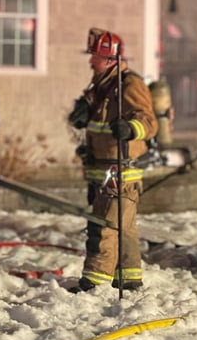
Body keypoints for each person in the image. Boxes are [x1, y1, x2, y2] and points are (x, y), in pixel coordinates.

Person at [67, 27, 158, 293]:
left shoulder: (129, 85)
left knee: (105, 226)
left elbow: (149, 122)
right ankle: (128, 279)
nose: (90, 61)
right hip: (102, 169)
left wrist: (130, 128)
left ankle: (93, 282)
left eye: (95, 56)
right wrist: (83, 113)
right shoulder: (101, 86)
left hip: (122, 172)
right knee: (123, 228)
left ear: (109, 59)